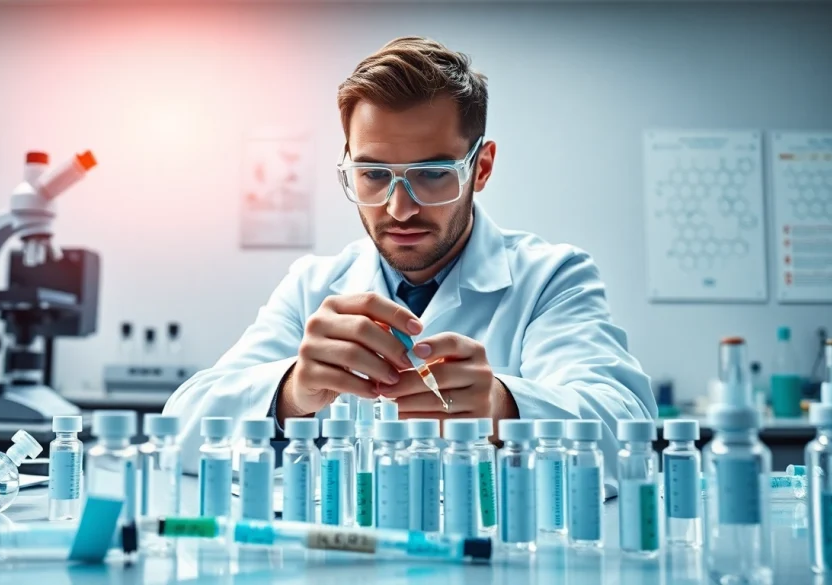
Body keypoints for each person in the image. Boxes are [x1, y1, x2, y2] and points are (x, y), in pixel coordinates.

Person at [165, 36, 654, 474]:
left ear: (480, 168)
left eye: (433, 173)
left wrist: (502, 406)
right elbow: (180, 429)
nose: (400, 209)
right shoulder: (312, 286)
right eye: (374, 175)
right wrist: (291, 393)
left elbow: (628, 428)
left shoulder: (550, 278)